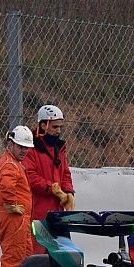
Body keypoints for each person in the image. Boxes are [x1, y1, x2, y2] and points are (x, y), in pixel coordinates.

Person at [23, 104, 76, 254]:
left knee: (63, 252)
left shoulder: (59, 148)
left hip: (58, 211)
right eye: (54, 127)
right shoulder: (31, 148)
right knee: (38, 253)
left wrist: (68, 192)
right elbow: (31, 177)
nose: (58, 131)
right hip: (39, 210)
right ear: (43, 125)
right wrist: (53, 189)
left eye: (60, 127)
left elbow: (65, 173)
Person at [0, 126, 34, 267]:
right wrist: (11, 203)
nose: (24, 150)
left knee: (25, 256)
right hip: (13, 218)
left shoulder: (14, 163)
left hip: (20, 217)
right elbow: (7, 185)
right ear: (10, 143)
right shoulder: (9, 165)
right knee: (13, 258)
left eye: (26, 147)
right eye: (20, 146)